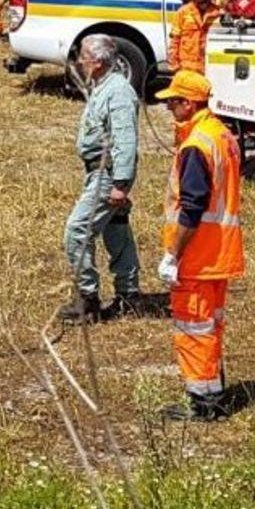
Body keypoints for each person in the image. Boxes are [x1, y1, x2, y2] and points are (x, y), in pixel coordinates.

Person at [154, 69, 245, 422]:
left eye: (174, 102)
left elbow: (193, 206)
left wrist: (172, 255)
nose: (168, 108)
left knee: (194, 329)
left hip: (198, 255)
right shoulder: (221, 134)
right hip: (219, 252)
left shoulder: (196, 145)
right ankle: (213, 390)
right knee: (210, 326)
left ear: (189, 104)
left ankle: (203, 402)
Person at [60, 35, 141, 323]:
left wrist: (120, 184)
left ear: (96, 61)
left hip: (108, 174)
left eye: (83, 56)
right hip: (100, 171)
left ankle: (88, 299)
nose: (80, 62)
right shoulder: (103, 86)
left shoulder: (117, 92)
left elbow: (125, 138)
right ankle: (128, 295)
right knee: (116, 229)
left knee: (77, 230)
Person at [168, 0, 222, 73]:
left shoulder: (217, 13)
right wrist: (174, 66)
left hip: (209, 69)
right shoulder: (183, 12)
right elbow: (174, 41)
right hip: (186, 69)